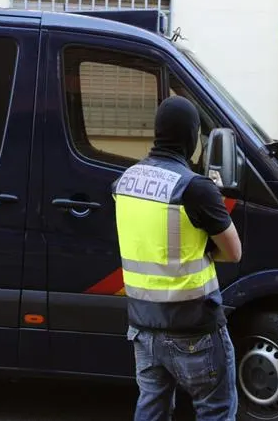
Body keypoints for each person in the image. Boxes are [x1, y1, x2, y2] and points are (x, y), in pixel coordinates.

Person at [111, 95, 242, 421]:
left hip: (143, 326)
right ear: (191, 138)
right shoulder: (194, 188)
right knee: (216, 409)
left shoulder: (124, 182)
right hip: (192, 327)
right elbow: (233, 251)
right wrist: (204, 249)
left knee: (152, 409)